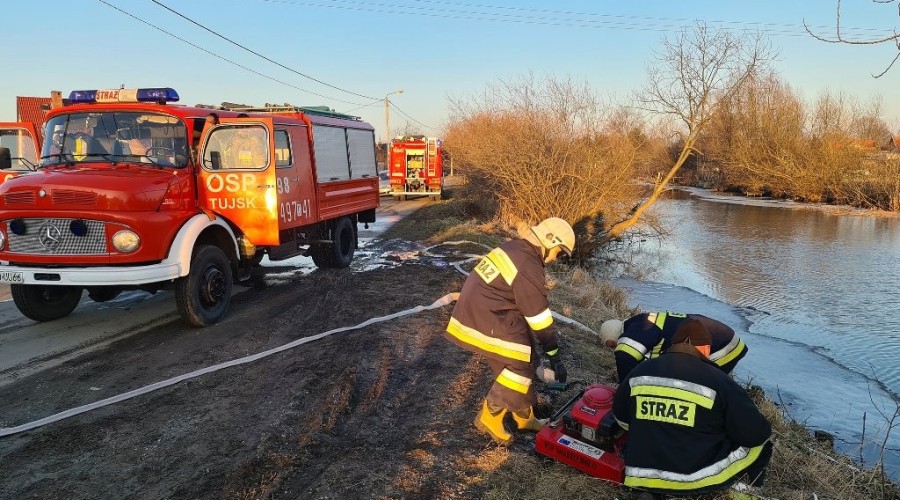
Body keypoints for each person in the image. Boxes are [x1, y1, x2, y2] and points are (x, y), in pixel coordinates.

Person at [445, 217, 575, 445]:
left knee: (528, 356)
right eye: (559, 252)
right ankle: (489, 416)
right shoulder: (528, 263)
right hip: (486, 316)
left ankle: (524, 417)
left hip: (487, 311)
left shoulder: (516, 247)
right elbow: (539, 317)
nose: (555, 258)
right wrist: (555, 357)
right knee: (520, 364)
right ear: (549, 241)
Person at [612, 318, 772, 497]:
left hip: (639, 474)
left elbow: (622, 419)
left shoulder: (639, 371)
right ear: (705, 349)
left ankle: (654, 491)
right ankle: (748, 491)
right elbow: (756, 434)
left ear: (673, 343)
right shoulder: (720, 381)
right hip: (692, 478)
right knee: (761, 444)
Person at [600, 312, 747, 382]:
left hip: (722, 347)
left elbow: (624, 356)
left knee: (699, 387)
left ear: (616, 336)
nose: (615, 348)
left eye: (612, 345)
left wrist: (626, 388)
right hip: (724, 340)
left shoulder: (635, 331)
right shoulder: (641, 322)